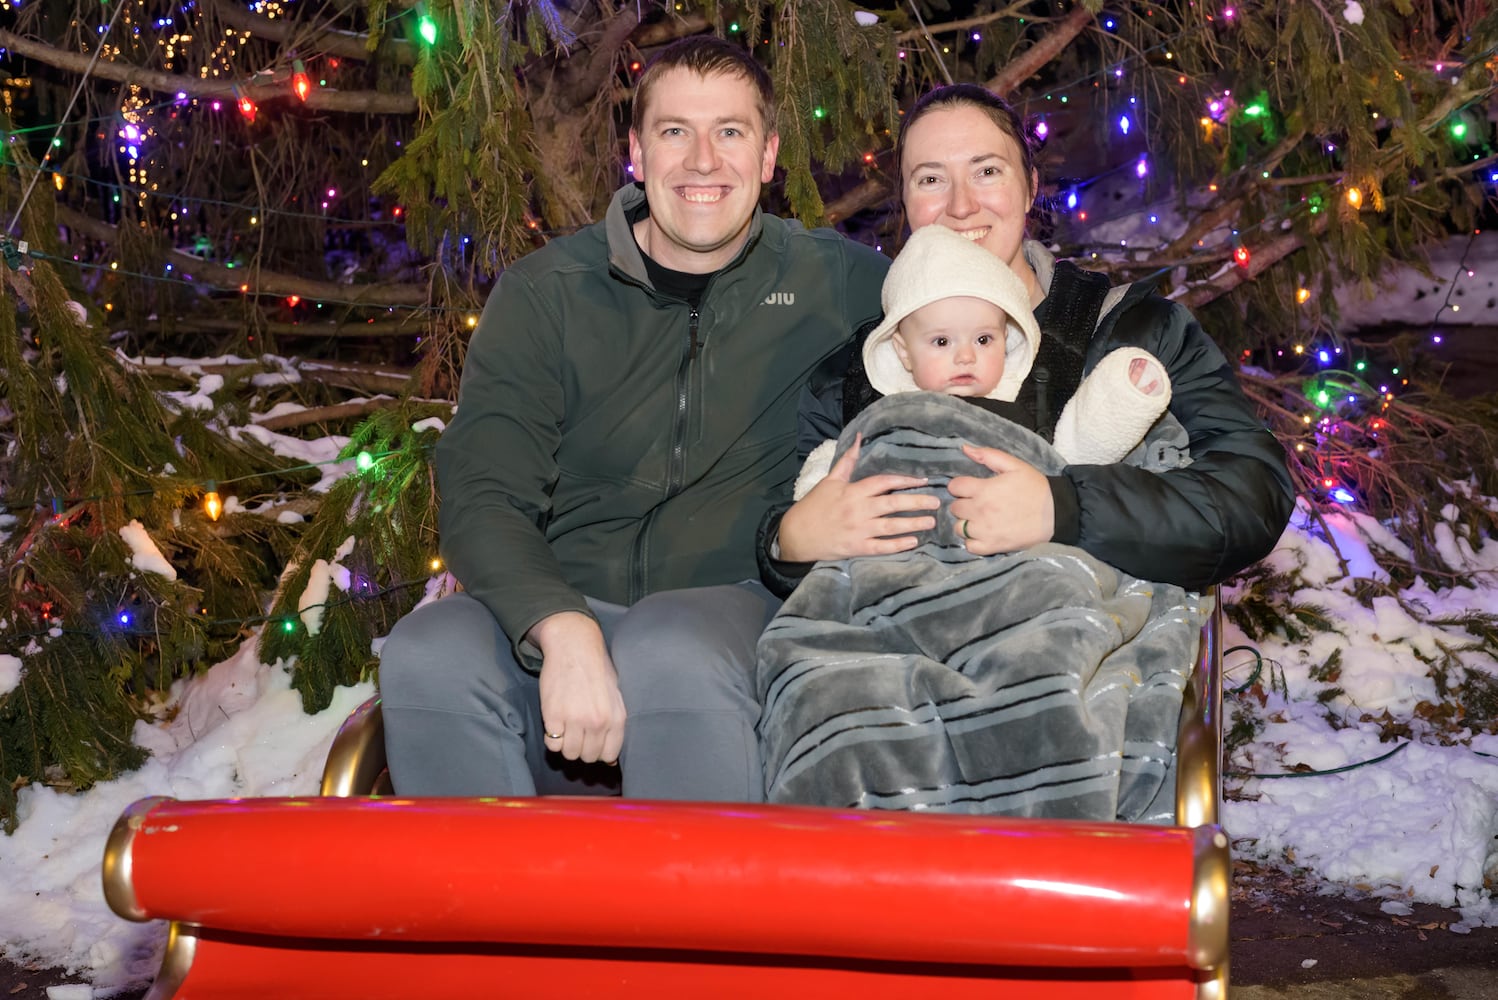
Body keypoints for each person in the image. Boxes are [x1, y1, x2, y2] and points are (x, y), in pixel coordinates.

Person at [754, 84, 1295, 818]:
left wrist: (1064, 505)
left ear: (1031, 186)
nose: (960, 204)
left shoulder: (1129, 330)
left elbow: (1251, 495)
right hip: (895, 668)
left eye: (986, 170)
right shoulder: (863, 370)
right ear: (905, 204)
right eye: (929, 179)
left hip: (1061, 644)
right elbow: (801, 544)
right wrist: (788, 542)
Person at [376, 35, 890, 803]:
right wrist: (559, 623)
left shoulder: (840, 284)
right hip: (566, 606)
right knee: (426, 651)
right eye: (675, 131)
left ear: (769, 153)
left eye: (731, 132)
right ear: (638, 153)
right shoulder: (548, 293)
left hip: (735, 612)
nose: (703, 160)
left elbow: (972, 319)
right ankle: (491, 916)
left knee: (669, 646)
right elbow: (483, 490)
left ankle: (691, 920)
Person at [791, 221, 1172, 501]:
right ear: (904, 352)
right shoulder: (879, 413)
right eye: (941, 341)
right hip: (908, 572)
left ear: (1008, 339)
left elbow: (1073, 449)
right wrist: (815, 514)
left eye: (984, 338)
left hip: (1011, 570)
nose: (966, 355)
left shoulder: (1022, 399)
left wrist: (1124, 395)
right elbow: (832, 462)